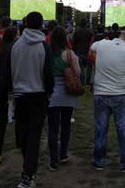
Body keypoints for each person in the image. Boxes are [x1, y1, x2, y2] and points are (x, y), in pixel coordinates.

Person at [10, 12, 54, 188]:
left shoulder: (16, 45)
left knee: (23, 135)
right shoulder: (44, 46)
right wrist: (49, 93)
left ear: (25, 23)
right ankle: (28, 175)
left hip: (20, 95)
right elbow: (49, 74)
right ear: (42, 24)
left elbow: (10, 70)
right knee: (34, 136)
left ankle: (27, 169)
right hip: (38, 96)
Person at [89, 29, 125, 173]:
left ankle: (99, 161)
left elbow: (91, 48)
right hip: (120, 93)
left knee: (101, 128)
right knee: (123, 129)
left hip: (101, 92)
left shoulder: (102, 44)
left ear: (121, 34)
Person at [47, 26, 81, 171]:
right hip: (68, 94)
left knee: (52, 128)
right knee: (66, 125)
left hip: (51, 95)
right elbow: (78, 73)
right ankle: (63, 154)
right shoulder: (69, 54)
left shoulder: (47, 53)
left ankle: (53, 160)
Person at [0, 27, 19, 164]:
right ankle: (20, 145)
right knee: (19, 118)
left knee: (2, 121)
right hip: (15, 88)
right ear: (14, 36)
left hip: (2, 88)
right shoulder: (15, 51)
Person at [72, 19, 93, 86]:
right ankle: (87, 81)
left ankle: (82, 82)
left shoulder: (76, 31)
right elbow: (92, 41)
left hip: (79, 51)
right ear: (86, 24)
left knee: (80, 67)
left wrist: (74, 50)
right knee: (89, 67)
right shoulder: (90, 32)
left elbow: (74, 42)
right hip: (88, 51)